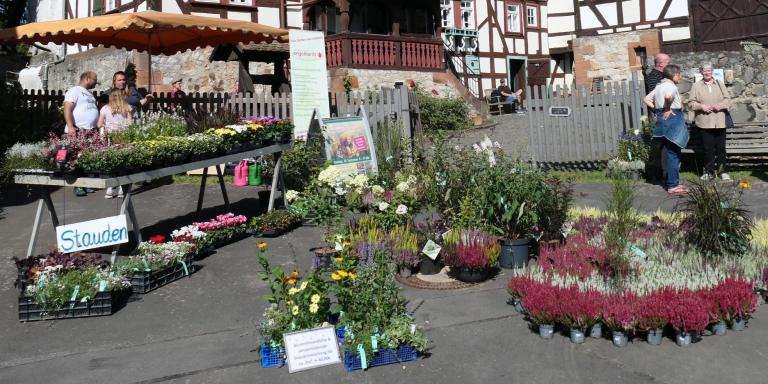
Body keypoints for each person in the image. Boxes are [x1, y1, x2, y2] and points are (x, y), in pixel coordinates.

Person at [644, 64, 689, 196]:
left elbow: (646, 99)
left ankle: (672, 181)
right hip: (673, 119)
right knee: (673, 154)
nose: (680, 77)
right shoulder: (671, 86)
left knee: (669, 152)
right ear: (674, 75)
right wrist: (668, 108)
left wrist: (658, 110)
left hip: (661, 120)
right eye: (679, 74)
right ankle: (672, 185)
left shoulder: (659, 86)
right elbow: (668, 97)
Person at [689, 63, 732, 181]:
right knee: (708, 149)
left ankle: (723, 171)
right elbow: (691, 103)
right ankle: (709, 172)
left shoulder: (719, 83)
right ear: (701, 72)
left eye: (709, 70)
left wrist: (721, 105)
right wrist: (701, 107)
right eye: (704, 71)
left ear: (712, 71)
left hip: (720, 122)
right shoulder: (696, 86)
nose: (707, 73)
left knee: (721, 148)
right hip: (704, 122)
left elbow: (728, 100)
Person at [63, 71, 99, 197]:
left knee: (87, 158)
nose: (96, 82)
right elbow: (67, 109)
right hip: (78, 129)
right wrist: (71, 126)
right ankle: (77, 186)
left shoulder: (89, 94)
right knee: (76, 158)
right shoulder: (74, 91)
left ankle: (86, 183)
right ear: (87, 78)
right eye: (95, 79)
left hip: (90, 130)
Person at [97, 89, 133, 199]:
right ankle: (122, 188)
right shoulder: (127, 107)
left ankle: (110, 189)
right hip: (123, 137)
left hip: (110, 138)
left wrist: (106, 124)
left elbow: (99, 124)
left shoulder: (105, 108)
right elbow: (130, 124)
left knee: (112, 162)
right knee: (122, 161)